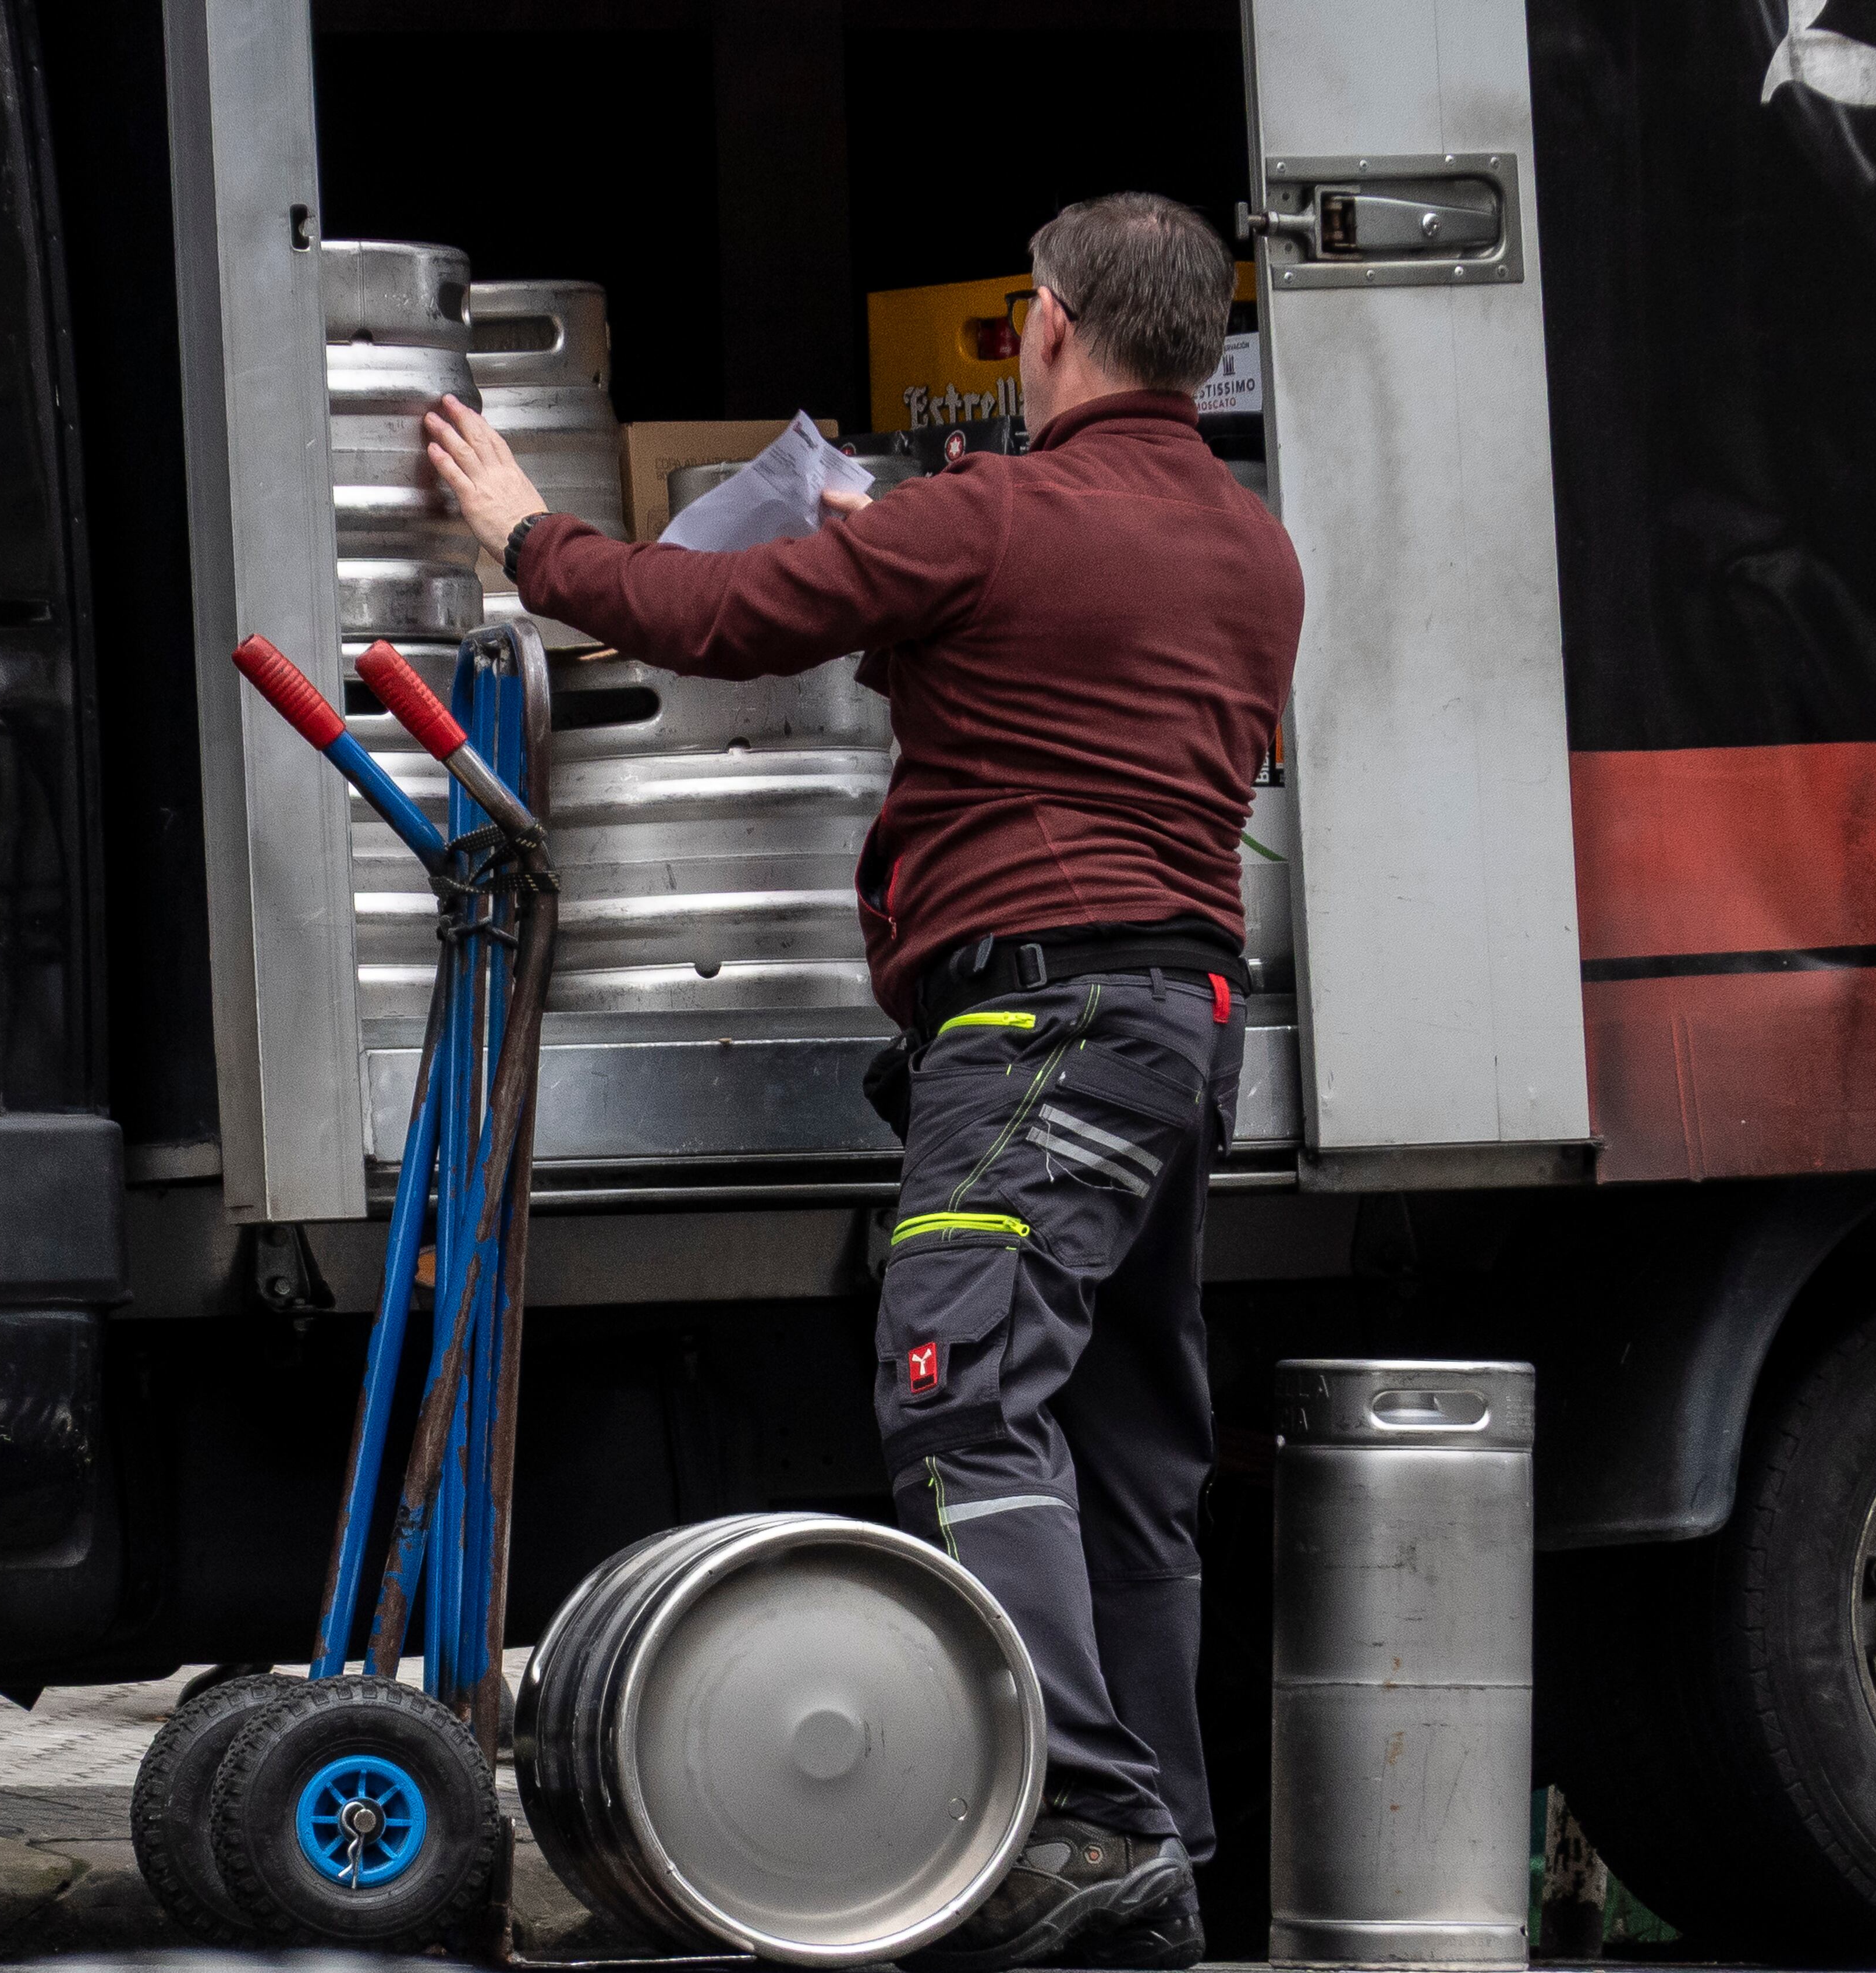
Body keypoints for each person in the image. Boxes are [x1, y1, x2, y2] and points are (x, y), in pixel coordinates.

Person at [424, 192, 1302, 1972]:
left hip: (1032, 1029)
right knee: (1124, 1457)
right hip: (1172, 1028)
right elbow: (1049, 673)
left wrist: (528, 535)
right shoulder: (1246, 543)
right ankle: (1157, 1857)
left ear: (1047, 325)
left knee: (962, 1401)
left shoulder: (993, 522)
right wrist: (897, 552)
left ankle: (1083, 1818)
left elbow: (722, 614)